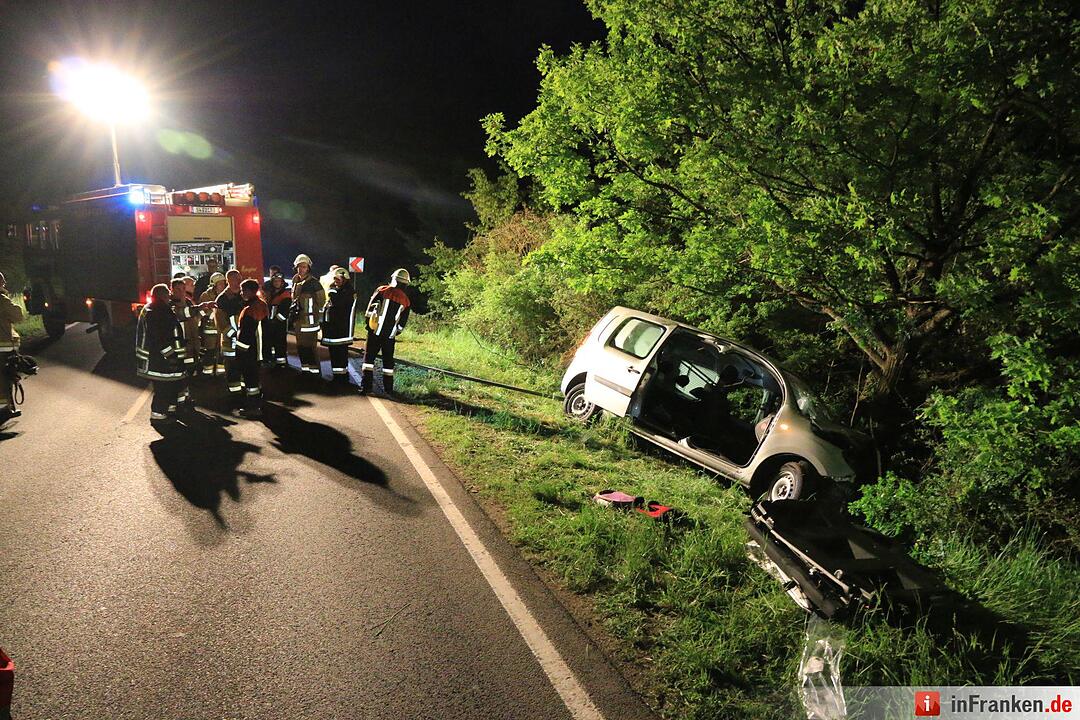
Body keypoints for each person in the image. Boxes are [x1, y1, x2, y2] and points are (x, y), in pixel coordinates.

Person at [136, 284, 186, 422]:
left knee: (169, 385)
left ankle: (169, 409)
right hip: (159, 360)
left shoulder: (155, 308)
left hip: (159, 358)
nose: (170, 296)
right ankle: (158, 414)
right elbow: (159, 338)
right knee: (163, 387)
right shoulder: (156, 311)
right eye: (167, 294)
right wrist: (170, 355)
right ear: (162, 295)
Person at [360, 268, 412, 395]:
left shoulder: (382, 290)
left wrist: (369, 326)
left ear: (393, 279)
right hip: (389, 336)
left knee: (369, 361)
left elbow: (369, 310)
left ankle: (366, 388)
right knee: (388, 363)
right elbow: (402, 323)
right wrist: (395, 332)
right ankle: (389, 390)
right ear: (406, 283)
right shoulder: (406, 300)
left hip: (374, 332)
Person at [233, 279, 269, 418]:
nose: (241, 293)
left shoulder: (250, 309)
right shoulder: (261, 305)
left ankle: (253, 408)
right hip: (258, 351)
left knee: (250, 379)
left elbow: (246, 335)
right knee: (254, 379)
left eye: (243, 290)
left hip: (250, 352)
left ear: (249, 291)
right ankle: (256, 403)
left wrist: (240, 353)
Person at [320, 266, 356, 385]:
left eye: (338, 279)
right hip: (334, 328)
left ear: (345, 279)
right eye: (335, 279)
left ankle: (342, 379)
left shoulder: (348, 292)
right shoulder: (341, 290)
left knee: (339, 354)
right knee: (335, 354)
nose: (335, 282)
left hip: (340, 329)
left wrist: (331, 292)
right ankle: (338, 377)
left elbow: (338, 304)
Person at [290, 254, 325, 375]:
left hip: (310, 323)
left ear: (308, 268)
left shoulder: (315, 283)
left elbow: (321, 302)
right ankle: (305, 370)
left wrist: (318, 319)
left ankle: (315, 373)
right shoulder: (295, 280)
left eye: (304, 267)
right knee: (301, 347)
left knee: (311, 348)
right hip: (299, 322)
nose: (301, 269)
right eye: (299, 267)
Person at [215, 269, 245, 398]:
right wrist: (235, 334)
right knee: (232, 367)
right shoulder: (222, 299)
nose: (238, 282)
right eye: (235, 279)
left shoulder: (244, 295)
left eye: (239, 279)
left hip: (243, 339)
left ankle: (246, 388)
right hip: (230, 341)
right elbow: (221, 323)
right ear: (228, 281)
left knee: (245, 365)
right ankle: (235, 393)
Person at [1, 270, 25, 423]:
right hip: (2, 348)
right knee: (4, 379)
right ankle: (4, 411)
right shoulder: (2, 300)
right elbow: (18, 315)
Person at [262, 272, 291, 368]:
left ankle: (281, 363)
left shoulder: (285, 295)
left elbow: (285, 311)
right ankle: (268, 360)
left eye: (279, 281)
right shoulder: (270, 293)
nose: (277, 283)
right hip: (269, 323)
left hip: (279, 325)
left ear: (282, 283)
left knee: (280, 343)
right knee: (267, 342)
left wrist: (276, 321)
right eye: (275, 281)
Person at [198, 272, 225, 375]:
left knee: (222, 351)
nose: (223, 285)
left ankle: (221, 372)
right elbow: (200, 311)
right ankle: (207, 372)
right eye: (220, 283)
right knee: (210, 351)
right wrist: (209, 312)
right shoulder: (206, 295)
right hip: (210, 329)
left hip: (222, 328)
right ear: (214, 285)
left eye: (223, 283)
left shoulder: (226, 295)